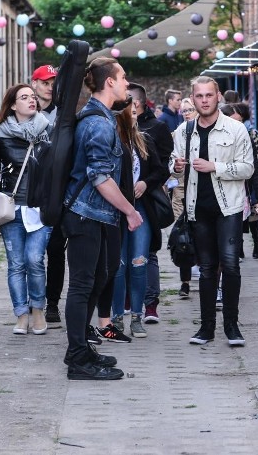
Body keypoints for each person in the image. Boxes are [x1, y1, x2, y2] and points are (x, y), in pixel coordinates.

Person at [60, 57, 142, 380]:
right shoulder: (97, 122)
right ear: (109, 82)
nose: (126, 84)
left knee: (97, 278)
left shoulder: (103, 117)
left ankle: (81, 346)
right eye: (123, 78)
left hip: (93, 215)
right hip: (84, 214)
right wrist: (130, 210)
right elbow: (99, 177)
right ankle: (77, 359)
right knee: (82, 285)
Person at [171, 76, 254, 347]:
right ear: (192, 98)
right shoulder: (183, 131)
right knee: (206, 269)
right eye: (199, 96)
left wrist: (214, 167)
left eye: (209, 95)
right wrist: (176, 167)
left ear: (218, 96)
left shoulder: (235, 129)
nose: (204, 100)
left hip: (228, 207)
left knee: (230, 265)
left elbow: (248, 168)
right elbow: (172, 168)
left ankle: (231, 325)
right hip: (197, 208)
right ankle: (206, 327)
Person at [0, 84, 53, 336]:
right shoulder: (1, 134)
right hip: (13, 208)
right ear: (13, 105)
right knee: (16, 264)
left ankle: (38, 309)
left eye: (32, 97)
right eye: (24, 97)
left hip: (40, 206)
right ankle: (21, 314)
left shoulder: (48, 128)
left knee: (34, 260)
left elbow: (56, 165)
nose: (31, 100)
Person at [97, 100, 166, 340]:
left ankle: (137, 316)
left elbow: (160, 169)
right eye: (131, 113)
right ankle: (116, 316)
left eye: (137, 113)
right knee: (118, 265)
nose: (136, 117)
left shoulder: (144, 140)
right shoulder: (108, 140)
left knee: (139, 262)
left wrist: (146, 182)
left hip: (142, 210)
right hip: (114, 212)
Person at [127, 83, 172, 323]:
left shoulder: (155, 129)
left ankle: (150, 302)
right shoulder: (116, 131)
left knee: (147, 252)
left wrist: (146, 183)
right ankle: (126, 300)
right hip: (121, 202)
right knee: (124, 255)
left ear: (137, 104)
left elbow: (161, 166)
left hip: (147, 201)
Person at [31, 64, 68, 326]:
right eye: (45, 82)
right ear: (34, 84)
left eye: (53, 82)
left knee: (55, 250)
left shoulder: (63, 115)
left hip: (56, 190)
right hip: (30, 191)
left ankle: (52, 302)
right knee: (30, 254)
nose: (50, 86)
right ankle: (33, 303)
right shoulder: (25, 111)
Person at [221, 102, 258, 259]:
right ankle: (238, 247)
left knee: (252, 216)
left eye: (239, 120)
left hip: (248, 184)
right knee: (236, 219)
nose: (237, 124)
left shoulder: (250, 135)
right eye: (234, 120)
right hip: (229, 186)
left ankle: (257, 242)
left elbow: (257, 162)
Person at [171, 97, 198, 295]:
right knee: (183, 237)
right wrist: (175, 166)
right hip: (181, 190)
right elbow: (171, 163)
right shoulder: (179, 133)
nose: (187, 113)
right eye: (184, 111)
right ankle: (185, 282)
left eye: (190, 109)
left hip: (202, 190)